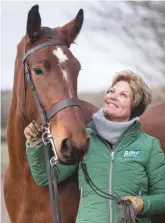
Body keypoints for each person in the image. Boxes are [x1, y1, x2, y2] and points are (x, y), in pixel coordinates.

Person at [24, 70, 165, 223]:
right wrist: (35, 143)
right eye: (111, 91)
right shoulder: (86, 139)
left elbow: (162, 197)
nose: (113, 96)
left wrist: (143, 204)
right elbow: (46, 178)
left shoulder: (149, 145)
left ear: (135, 105)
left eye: (123, 95)